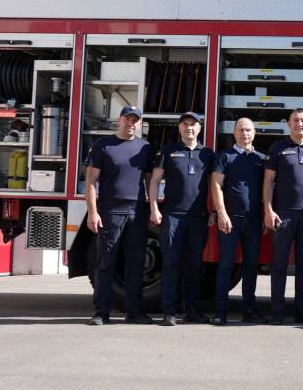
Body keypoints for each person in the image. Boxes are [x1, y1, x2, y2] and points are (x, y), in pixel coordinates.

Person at [85, 105, 155, 326]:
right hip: (110, 213)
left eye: (135, 120)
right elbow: (90, 182)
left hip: (137, 213)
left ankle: (134, 311)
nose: (131, 123)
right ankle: (101, 312)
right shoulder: (102, 146)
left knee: (135, 263)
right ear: (120, 119)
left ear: (139, 123)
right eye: (127, 118)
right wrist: (93, 213)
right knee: (106, 263)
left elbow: (150, 181)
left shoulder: (145, 148)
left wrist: (153, 208)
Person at [148, 111, 215, 326]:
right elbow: (154, 180)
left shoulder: (208, 154)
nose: (189, 128)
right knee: (171, 264)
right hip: (173, 217)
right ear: (179, 128)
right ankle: (169, 311)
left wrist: (214, 211)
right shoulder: (169, 151)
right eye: (185, 124)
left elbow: (216, 186)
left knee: (194, 266)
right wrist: (154, 208)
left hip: (199, 218)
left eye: (193, 124)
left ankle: (192, 310)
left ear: (199, 128)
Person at [263, 109, 303, 325]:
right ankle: (277, 312)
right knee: (279, 265)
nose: (299, 124)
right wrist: (269, 210)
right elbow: (268, 182)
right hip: (283, 215)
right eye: (295, 121)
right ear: (289, 124)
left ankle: (302, 311)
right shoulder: (278, 148)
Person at [210, 117, 269, 324]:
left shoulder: (261, 159)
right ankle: (220, 312)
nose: (245, 134)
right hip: (230, 220)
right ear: (234, 133)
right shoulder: (225, 157)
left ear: (254, 133)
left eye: (249, 130)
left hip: (253, 221)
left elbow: (266, 190)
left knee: (251, 266)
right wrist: (222, 213)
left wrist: (264, 214)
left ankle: (249, 310)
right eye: (241, 130)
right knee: (226, 265)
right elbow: (216, 185)